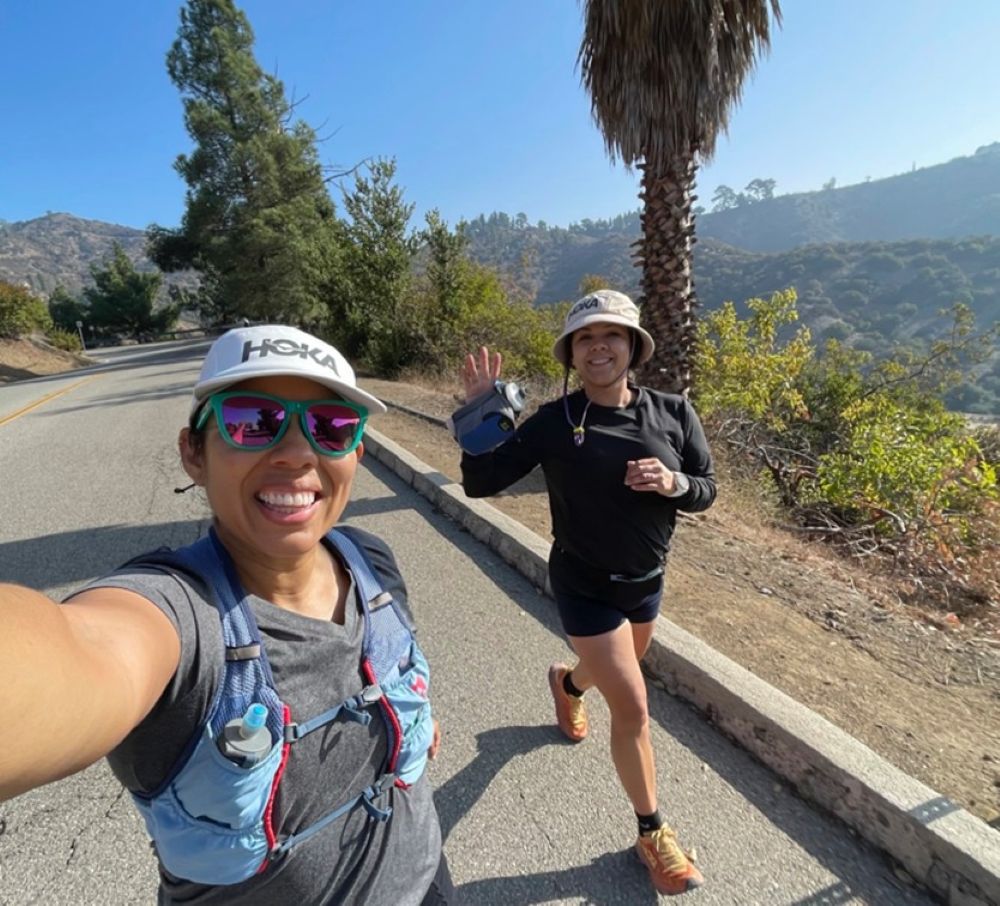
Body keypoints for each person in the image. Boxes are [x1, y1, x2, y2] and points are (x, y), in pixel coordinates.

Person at [0, 324, 451, 906]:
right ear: (194, 453)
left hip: (427, 882)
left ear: (357, 452)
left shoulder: (369, 560)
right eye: (252, 420)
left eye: (332, 427)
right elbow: (73, 655)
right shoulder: (178, 620)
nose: (297, 451)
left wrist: (408, 728)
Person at [456, 290, 716, 897]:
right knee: (633, 706)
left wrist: (674, 481)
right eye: (585, 339)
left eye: (612, 336)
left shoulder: (674, 413)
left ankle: (567, 684)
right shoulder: (555, 420)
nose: (599, 347)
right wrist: (477, 415)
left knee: (611, 675)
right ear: (573, 354)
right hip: (583, 584)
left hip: (646, 582)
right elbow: (479, 481)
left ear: (632, 348)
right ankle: (652, 833)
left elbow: (706, 488)